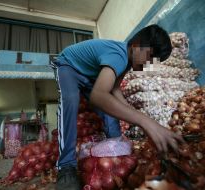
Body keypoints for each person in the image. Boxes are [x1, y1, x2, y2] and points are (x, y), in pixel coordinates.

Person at [51, 24, 184, 190]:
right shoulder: (118, 56)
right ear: (136, 46)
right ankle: (66, 166)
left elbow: (114, 90)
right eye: (149, 59)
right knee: (70, 101)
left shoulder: (127, 61)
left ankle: (118, 152)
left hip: (89, 76)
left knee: (110, 114)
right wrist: (145, 121)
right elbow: (98, 96)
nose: (148, 65)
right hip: (68, 65)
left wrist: (134, 115)